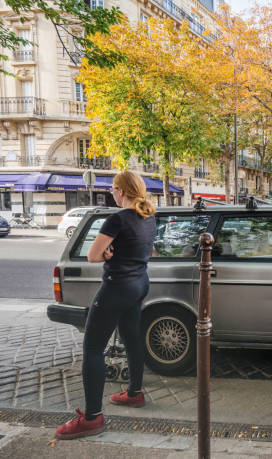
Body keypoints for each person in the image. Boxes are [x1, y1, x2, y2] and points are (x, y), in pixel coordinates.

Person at [55, 171, 157, 440]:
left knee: (92, 349)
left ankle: (91, 418)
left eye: (113, 188)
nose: (112, 192)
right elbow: (146, 250)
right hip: (139, 284)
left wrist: (107, 254)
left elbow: (92, 256)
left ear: (122, 191)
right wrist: (116, 251)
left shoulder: (117, 218)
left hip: (117, 287)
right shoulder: (149, 216)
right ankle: (134, 393)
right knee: (132, 337)